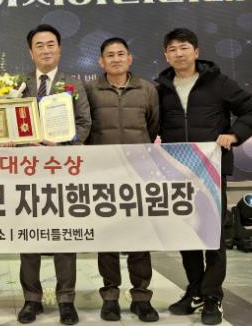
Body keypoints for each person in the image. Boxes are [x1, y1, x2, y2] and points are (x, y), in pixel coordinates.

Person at [156, 28, 252, 325]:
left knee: (212, 235)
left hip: (211, 171)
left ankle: (212, 295)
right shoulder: (161, 88)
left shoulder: (218, 83)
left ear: (196, 51)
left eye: (184, 47)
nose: (179, 53)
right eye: (172, 49)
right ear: (166, 55)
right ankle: (194, 290)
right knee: (186, 234)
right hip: (177, 172)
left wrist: (235, 134)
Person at [17, 24, 91, 326]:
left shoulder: (74, 85)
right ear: (30, 52)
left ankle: (66, 300)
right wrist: (23, 142)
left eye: (51, 44)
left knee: (64, 237)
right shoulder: (17, 85)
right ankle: (31, 299)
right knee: (28, 237)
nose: (45, 50)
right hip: (26, 172)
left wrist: (62, 144)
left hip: (61, 171)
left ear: (59, 49)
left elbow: (85, 124)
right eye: (39, 45)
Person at [84, 37, 160, 323]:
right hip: (103, 174)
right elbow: (86, 129)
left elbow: (152, 126)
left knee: (140, 236)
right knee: (107, 237)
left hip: (138, 174)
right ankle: (110, 297)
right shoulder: (90, 90)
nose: (115, 59)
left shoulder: (147, 90)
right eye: (110, 55)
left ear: (129, 58)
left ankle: (141, 298)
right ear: (101, 62)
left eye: (120, 54)